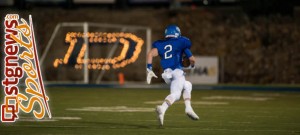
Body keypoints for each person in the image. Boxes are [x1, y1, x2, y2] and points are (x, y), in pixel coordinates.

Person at [146, 24, 199, 126]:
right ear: (177, 33)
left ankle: (188, 108)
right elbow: (192, 59)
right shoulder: (181, 42)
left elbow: (150, 54)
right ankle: (162, 108)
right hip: (177, 72)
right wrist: (191, 67)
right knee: (177, 94)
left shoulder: (160, 44)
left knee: (187, 85)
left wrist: (149, 69)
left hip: (166, 74)